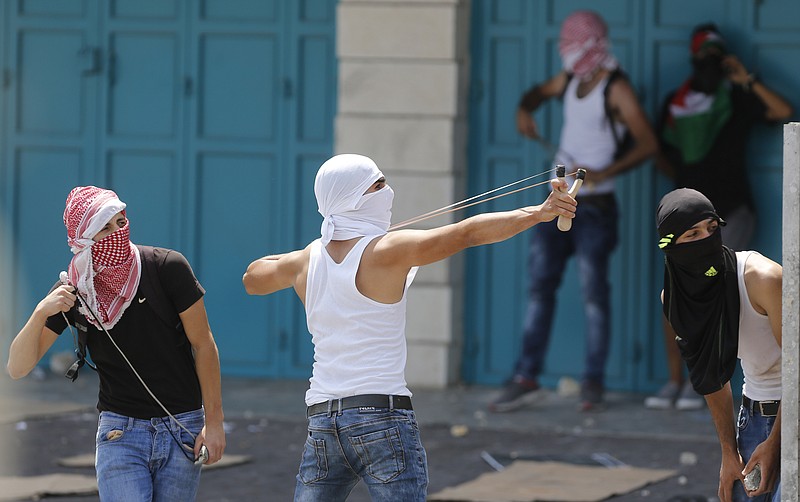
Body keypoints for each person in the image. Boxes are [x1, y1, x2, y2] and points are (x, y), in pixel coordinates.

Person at [242, 153, 577, 501]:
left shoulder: (305, 260)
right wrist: (539, 214)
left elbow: (252, 277)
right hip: (381, 418)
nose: (388, 191)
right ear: (355, 199)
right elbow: (467, 233)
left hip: (325, 423)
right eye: (379, 185)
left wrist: (322, 245)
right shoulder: (386, 249)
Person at [7, 186, 225, 501]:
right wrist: (41, 311)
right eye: (104, 228)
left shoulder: (167, 267)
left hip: (183, 427)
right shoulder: (73, 291)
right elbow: (16, 367)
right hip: (119, 433)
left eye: (120, 222)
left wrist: (214, 423)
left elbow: (204, 344)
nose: (118, 233)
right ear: (82, 240)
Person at [490, 10, 657, 412]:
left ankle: (592, 384)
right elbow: (534, 95)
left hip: (595, 206)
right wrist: (523, 111)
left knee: (593, 296)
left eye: (574, 45)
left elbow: (648, 144)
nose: (567, 53)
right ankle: (525, 376)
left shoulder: (616, 89)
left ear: (591, 46)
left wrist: (605, 171)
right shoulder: (569, 81)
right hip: (555, 200)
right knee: (539, 288)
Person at [646, 23, 792, 411]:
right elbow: (659, 149)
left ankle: (719, 384)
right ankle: (677, 382)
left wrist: (747, 79)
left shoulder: (736, 99)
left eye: (717, 56)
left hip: (728, 213)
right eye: (704, 56)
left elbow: (783, 112)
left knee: (724, 295)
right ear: (693, 59)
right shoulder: (676, 105)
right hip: (685, 221)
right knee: (676, 297)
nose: (709, 64)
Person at [656, 188, 781, 502]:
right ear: (669, 246)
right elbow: (711, 376)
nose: (707, 239)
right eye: (692, 233)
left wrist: (776, 444)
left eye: (712, 228)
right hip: (753, 421)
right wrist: (729, 451)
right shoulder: (676, 300)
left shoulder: (761, 278)